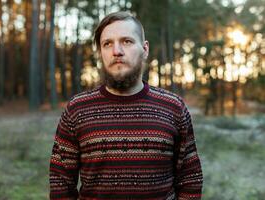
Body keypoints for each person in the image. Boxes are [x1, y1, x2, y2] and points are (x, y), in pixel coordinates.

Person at [49, 11, 203, 200]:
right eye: (107, 44)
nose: (117, 51)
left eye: (127, 41)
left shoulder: (173, 107)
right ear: (101, 53)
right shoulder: (77, 109)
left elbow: (190, 179)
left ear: (145, 49)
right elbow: (61, 182)